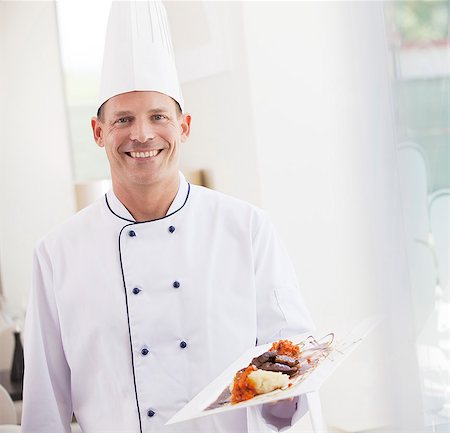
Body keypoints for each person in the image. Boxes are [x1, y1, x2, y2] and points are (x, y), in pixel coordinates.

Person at [21, 2, 314, 432]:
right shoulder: (56, 253)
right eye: (124, 119)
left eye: (159, 116)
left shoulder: (247, 229)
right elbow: (45, 407)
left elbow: (293, 380)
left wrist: (290, 391)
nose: (142, 134)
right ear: (98, 132)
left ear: (184, 126)